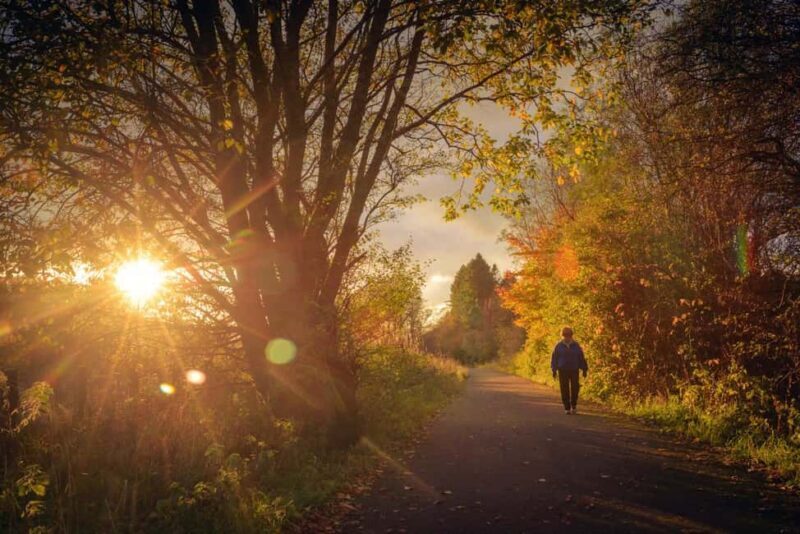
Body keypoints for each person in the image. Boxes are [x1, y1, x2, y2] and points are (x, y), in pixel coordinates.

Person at [551, 327, 588, 415]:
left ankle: (573, 404)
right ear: (562, 335)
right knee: (564, 388)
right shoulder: (558, 346)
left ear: (571, 335)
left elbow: (581, 357)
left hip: (574, 369)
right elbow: (554, 358)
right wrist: (554, 370)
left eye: (569, 335)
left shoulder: (576, 346)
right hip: (562, 370)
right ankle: (567, 407)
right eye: (565, 335)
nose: (567, 337)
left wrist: (584, 369)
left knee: (575, 387)